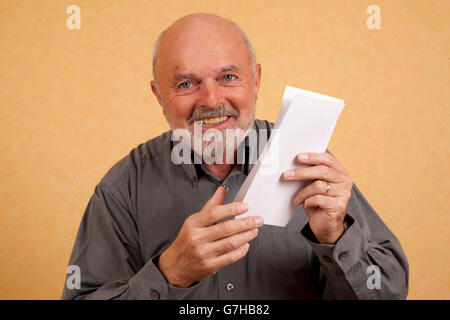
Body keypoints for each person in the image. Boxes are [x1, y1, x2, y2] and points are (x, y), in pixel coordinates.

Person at [61, 13, 408, 300]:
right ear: (158, 94)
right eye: (186, 84)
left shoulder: (309, 163)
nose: (211, 101)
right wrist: (170, 274)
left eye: (228, 77)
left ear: (255, 80)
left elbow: (389, 293)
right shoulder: (123, 188)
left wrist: (335, 237)